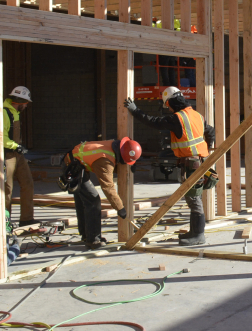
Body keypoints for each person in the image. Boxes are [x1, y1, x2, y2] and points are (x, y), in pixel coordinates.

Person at [124, 87, 215, 246]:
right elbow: (211, 131)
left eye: (168, 105)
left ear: (171, 102)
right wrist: (207, 148)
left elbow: (153, 122)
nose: (169, 108)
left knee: (194, 199)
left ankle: (199, 236)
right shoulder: (197, 115)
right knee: (195, 197)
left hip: (191, 164)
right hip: (200, 162)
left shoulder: (177, 118)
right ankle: (194, 232)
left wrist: (135, 110)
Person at [58, 137, 142, 250]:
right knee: (93, 200)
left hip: (75, 162)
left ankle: (86, 235)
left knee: (83, 199)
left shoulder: (113, 146)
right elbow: (108, 187)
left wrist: (128, 164)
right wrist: (120, 208)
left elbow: (110, 165)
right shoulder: (104, 160)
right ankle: (93, 240)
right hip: (72, 168)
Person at [3, 86, 35, 226]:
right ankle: (5, 222)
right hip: (6, 155)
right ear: (20, 102)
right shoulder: (4, 113)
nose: (26, 106)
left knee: (27, 184)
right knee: (6, 189)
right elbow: (0, 137)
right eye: (26, 104)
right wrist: (16, 146)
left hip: (18, 155)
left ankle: (26, 219)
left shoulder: (15, 112)